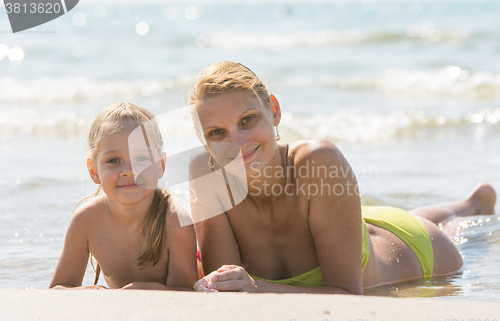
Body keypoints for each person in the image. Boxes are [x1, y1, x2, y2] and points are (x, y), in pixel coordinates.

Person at [187, 60, 497, 294]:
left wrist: (258, 289)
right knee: (386, 220)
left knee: (453, 229)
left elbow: (347, 296)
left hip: (419, 247)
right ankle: (470, 202)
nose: (238, 143)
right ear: (202, 139)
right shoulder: (206, 174)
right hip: (351, 223)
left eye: (247, 120)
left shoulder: (318, 161)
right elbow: (224, 288)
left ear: (274, 110)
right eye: (217, 133)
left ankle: (472, 203)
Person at [50, 102, 198, 290]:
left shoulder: (175, 223)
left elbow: (189, 293)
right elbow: (58, 290)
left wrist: (147, 291)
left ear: (160, 165)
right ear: (94, 171)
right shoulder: (86, 221)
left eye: (142, 158)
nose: (129, 171)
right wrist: (87, 292)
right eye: (113, 161)